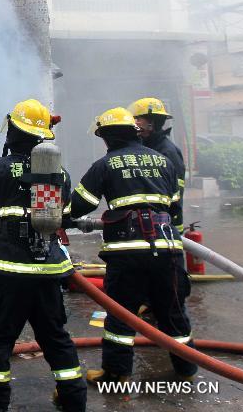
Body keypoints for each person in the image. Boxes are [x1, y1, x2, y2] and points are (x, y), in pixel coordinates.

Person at [0, 99, 86, 412]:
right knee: (56, 338)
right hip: (48, 273)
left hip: (9, 272)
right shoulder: (60, 173)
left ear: (13, 129)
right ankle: (73, 398)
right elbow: (64, 215)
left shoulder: (1, 168)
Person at [68, 107, 197, 384]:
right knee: (173, 313)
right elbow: (174, 203)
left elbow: (80, 204)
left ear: (108, 137)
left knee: (120, 315)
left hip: (127, 254)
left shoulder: (106, 164)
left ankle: (117, 374)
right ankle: (186, 369)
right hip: (168, 251)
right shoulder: (163, 161)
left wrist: (58, 218)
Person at [128, 97, 186, 233]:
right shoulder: (143, 148)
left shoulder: (167, 151)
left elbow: (175, 194)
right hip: (147, 224)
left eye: (137, 119)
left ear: (151, 123)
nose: (133, 123)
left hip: (167, 225)